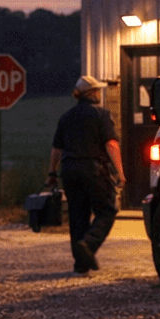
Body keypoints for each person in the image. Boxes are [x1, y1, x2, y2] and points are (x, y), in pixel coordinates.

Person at [47, 74, 124, 273]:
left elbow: (56, 150)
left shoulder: (66, 117)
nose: (99, 93)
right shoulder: (101, 114)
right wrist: (120, 173)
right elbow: (111, 144)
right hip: (94, 170)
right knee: (107, 210)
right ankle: (89, 245)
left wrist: (52, 174)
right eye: (97, 90)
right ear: (91, 94)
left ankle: (80, 265)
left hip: (69, 171)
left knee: (77, 216)